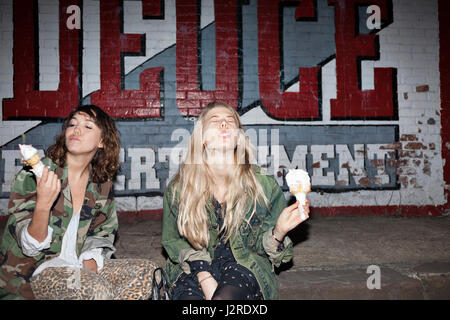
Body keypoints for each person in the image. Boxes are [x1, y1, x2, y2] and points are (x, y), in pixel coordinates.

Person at [0, 105, 156, 300]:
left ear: (102, 141)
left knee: (148, 273)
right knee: (96, 291)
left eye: (88, 126)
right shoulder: (35, 176)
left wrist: (91, 257)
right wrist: (43, 204)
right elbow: (29, 246)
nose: (76, 130)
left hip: (76, 262)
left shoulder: (100, 182)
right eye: (72, 124)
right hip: (35, 272)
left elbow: (103, 230)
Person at [162, 101, 310, 300]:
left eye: (230, 121)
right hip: (193, 266)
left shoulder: (263, 186)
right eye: (215, 121)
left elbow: (267, 251)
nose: (224, 124)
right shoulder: (180, 188)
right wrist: (205, 277)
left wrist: (279, 232)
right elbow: (173, 241)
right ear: (202, 138)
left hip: (244, 264)